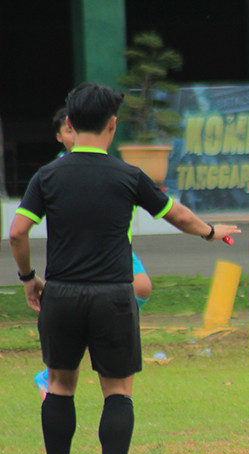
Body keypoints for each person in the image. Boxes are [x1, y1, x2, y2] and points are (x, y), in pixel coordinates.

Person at [8, 83, 241, 454]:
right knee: (118, 391)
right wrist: (214, 231)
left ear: (71, 126)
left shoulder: (47, 176)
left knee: (59, 386)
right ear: (112, 126)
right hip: (114, 297)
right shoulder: (128, 175)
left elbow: (18, 232)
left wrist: (28, 279)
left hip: (60, 294)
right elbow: (179, 216)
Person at [34, 107, 153, 398]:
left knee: (143, 287)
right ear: (60, 136)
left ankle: (96, 344)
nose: (74, 136)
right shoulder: (58, 170)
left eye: (76, 129)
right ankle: (50, 374)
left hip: (115, 247)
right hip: (85, 254)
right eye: (68, 131)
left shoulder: (104, 161)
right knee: (101, 306)